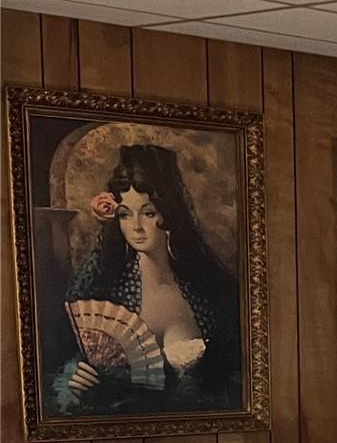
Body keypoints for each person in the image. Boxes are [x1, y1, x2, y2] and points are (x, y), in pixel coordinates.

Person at [54, 143, 240, 412]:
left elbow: (235, 373)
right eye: (125, 215)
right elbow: (62, 370)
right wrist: (73, 378)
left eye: (149, 213)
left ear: (169, 213)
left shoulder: (207, 289)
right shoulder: (106, 289)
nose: (136, 227)